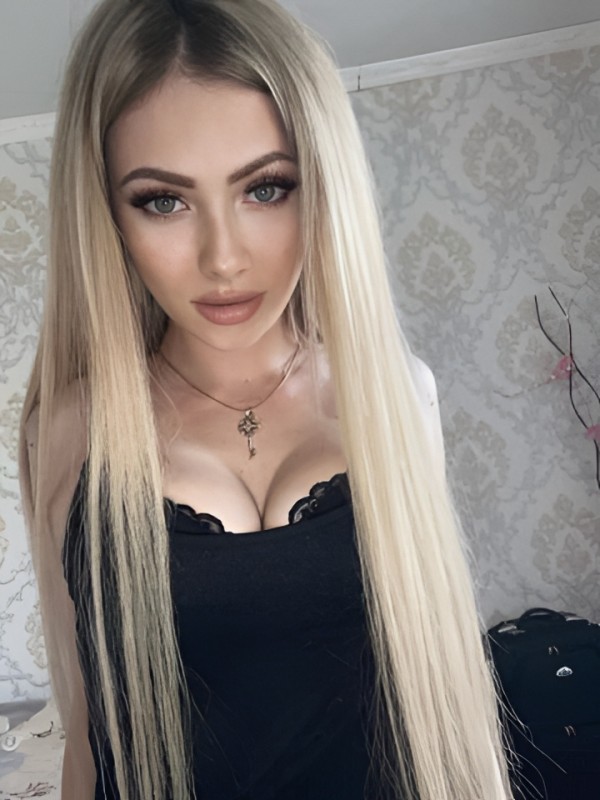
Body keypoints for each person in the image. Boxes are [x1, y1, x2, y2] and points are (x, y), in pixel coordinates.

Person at [19, 1, 513, 798]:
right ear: (106, 214)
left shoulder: (398, 398)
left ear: (322, 184)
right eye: (163, 200)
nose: (224, 258)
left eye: (266, 188)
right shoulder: (71, 433)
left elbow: (448, 689)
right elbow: (87, 726)